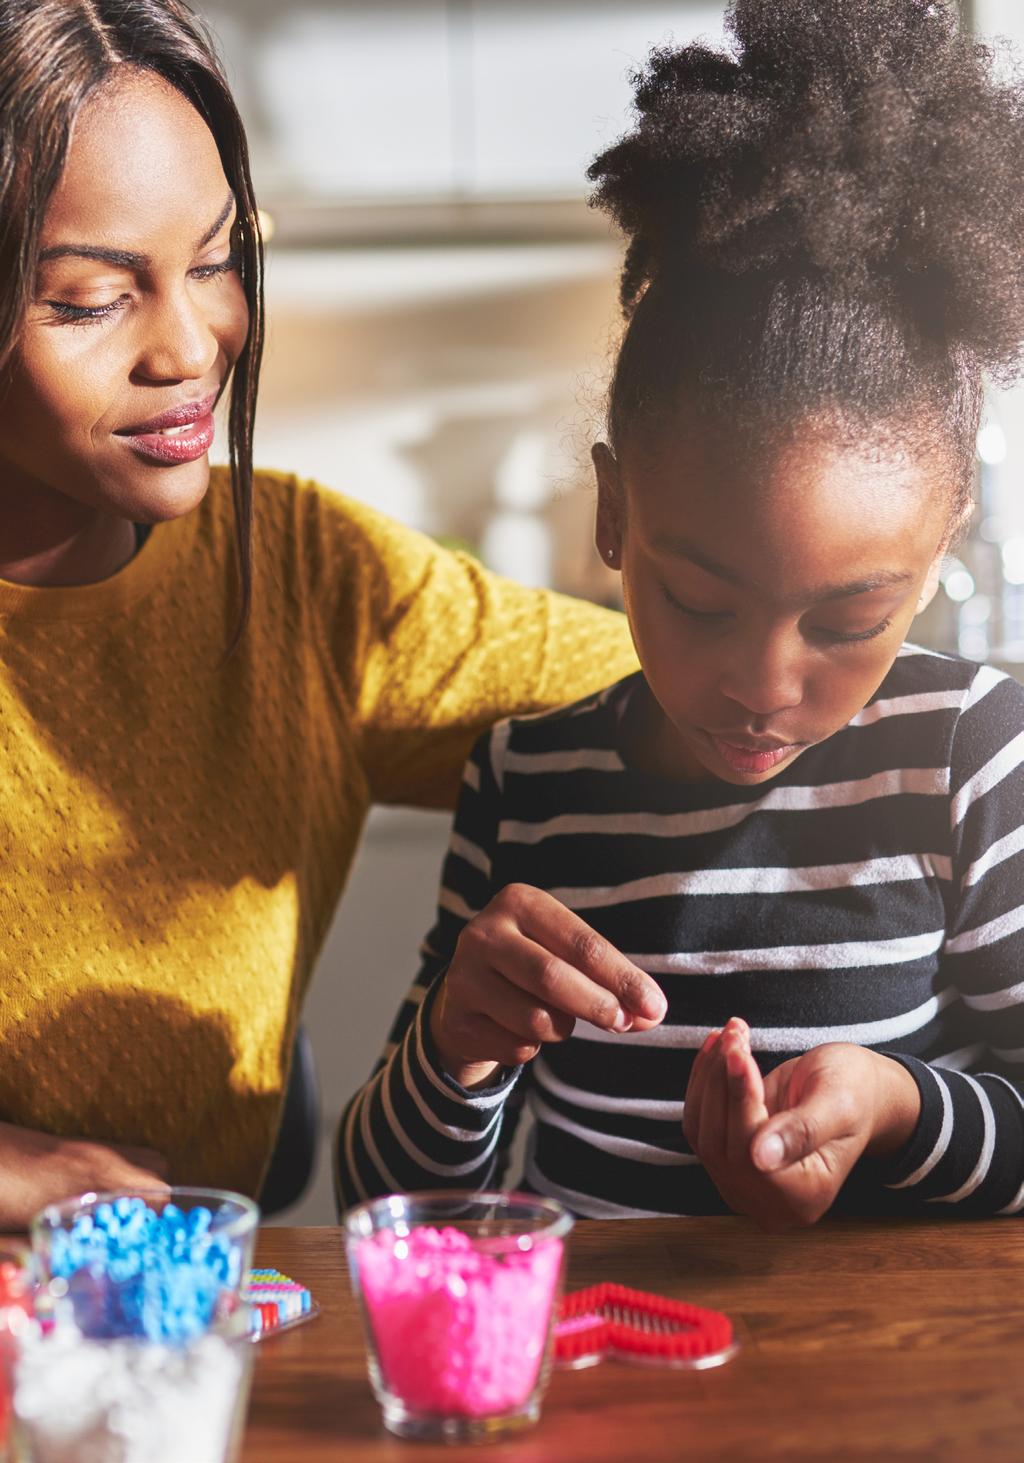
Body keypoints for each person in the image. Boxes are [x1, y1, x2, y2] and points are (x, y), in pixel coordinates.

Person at [338, 0, 1024, 1227]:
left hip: (884, 1396)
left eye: (847, 618)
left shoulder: (972, 759)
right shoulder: (528, 777)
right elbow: (387, 1212)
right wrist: (454, 1050)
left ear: (938, 551)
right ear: (612, 514)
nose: (762, 682)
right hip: (602, 1393)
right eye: (699, 599)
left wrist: (898, 1107)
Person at [0, 0, 638, 1228]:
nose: (191, 346)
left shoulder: (306, 577)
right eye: (87, 297)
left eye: (216, 259)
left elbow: (711, 687)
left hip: (181, 1343)